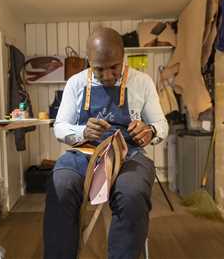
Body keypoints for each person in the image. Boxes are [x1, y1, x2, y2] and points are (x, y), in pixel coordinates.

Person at [43, 27, 169, 259]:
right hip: (84, 152)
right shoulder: (75, 83)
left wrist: (150, 131)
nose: (109, 75)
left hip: (128, 154)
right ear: (88, 61)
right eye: (100, 69)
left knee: (132, 194)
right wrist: (82, 131)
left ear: (123, 58)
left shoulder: (142, 82)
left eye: (115, 67)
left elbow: (162, 124)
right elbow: (60, 127)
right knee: (60, 185)